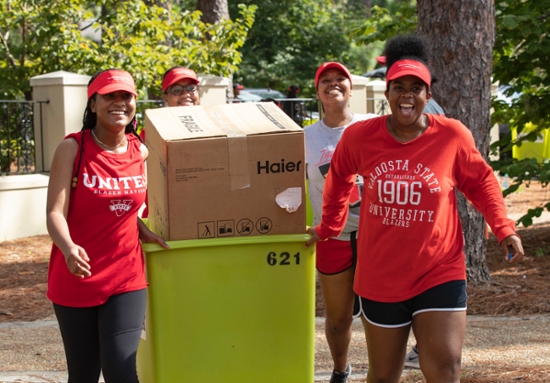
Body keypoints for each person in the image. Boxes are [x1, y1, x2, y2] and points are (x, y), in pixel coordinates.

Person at [306, 35, 524, 383]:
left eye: (416, 87)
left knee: (445, 366)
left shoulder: (451, 136)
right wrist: (330, 227)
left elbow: (481, 182)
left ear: (428, 95)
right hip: (381, 274)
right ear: (387, 93)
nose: (407, 94)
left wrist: (504, 227)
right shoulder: (360, 137)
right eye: (399, 87)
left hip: (439, 268)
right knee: (384, 375)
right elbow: (338, 181)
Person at [46, 69, 169, 383]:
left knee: (121, 370)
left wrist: (142, 229)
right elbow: (55, 214)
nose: (119, 103)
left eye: (125, 96)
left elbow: (126, 207)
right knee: (84, 374)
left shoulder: (140, 151)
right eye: (109, 96)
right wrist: (69, 247)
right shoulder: (73, 149)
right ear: (93, 103)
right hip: (77, 274)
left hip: (125, 275)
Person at [305, 62, 378, 383]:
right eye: (326, 81)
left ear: (351, 88)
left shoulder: (372, 126)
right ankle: (340, 370)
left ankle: (380, 372)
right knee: (337, 319)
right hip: (332, 237)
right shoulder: (305, 137)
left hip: (378, 235)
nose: (333, 85)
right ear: (317, 90)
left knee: (382, 314)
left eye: (340, 80)